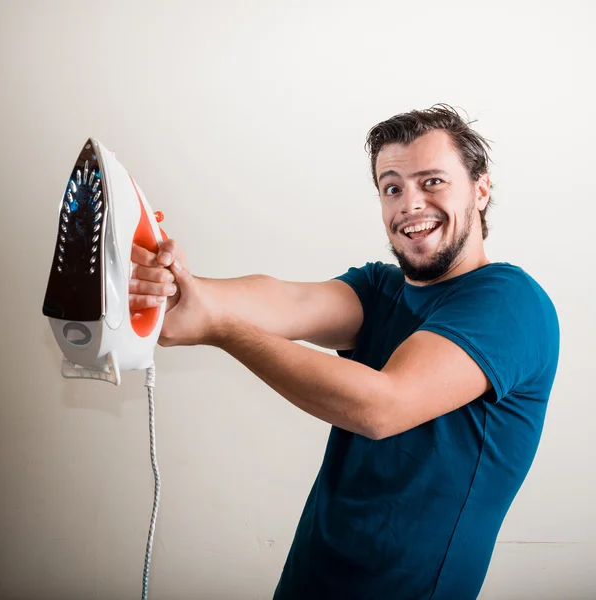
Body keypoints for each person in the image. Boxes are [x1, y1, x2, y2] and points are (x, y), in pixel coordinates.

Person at [129, 105, 560, 599]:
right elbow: (288, 300)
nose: (410, 204)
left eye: (433, 181)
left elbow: (381, 406)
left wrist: (220, 328)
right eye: (392, 187)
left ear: (480, 190)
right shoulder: (379, 289)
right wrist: (182, 288)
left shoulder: (510, 301)